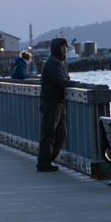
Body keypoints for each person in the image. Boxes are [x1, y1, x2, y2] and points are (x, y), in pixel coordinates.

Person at [35, 37, 73, 172]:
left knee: (62, 133)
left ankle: (48, 160)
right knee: (48, 134)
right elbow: (61, 82)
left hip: (59, 102)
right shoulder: (52, 63)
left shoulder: (62, 63)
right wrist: (76, 84)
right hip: (50, 102)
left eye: (66, 46)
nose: (64, 48)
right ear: (55, 48)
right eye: (61, 46)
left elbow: (65, 80)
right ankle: (43, 163)